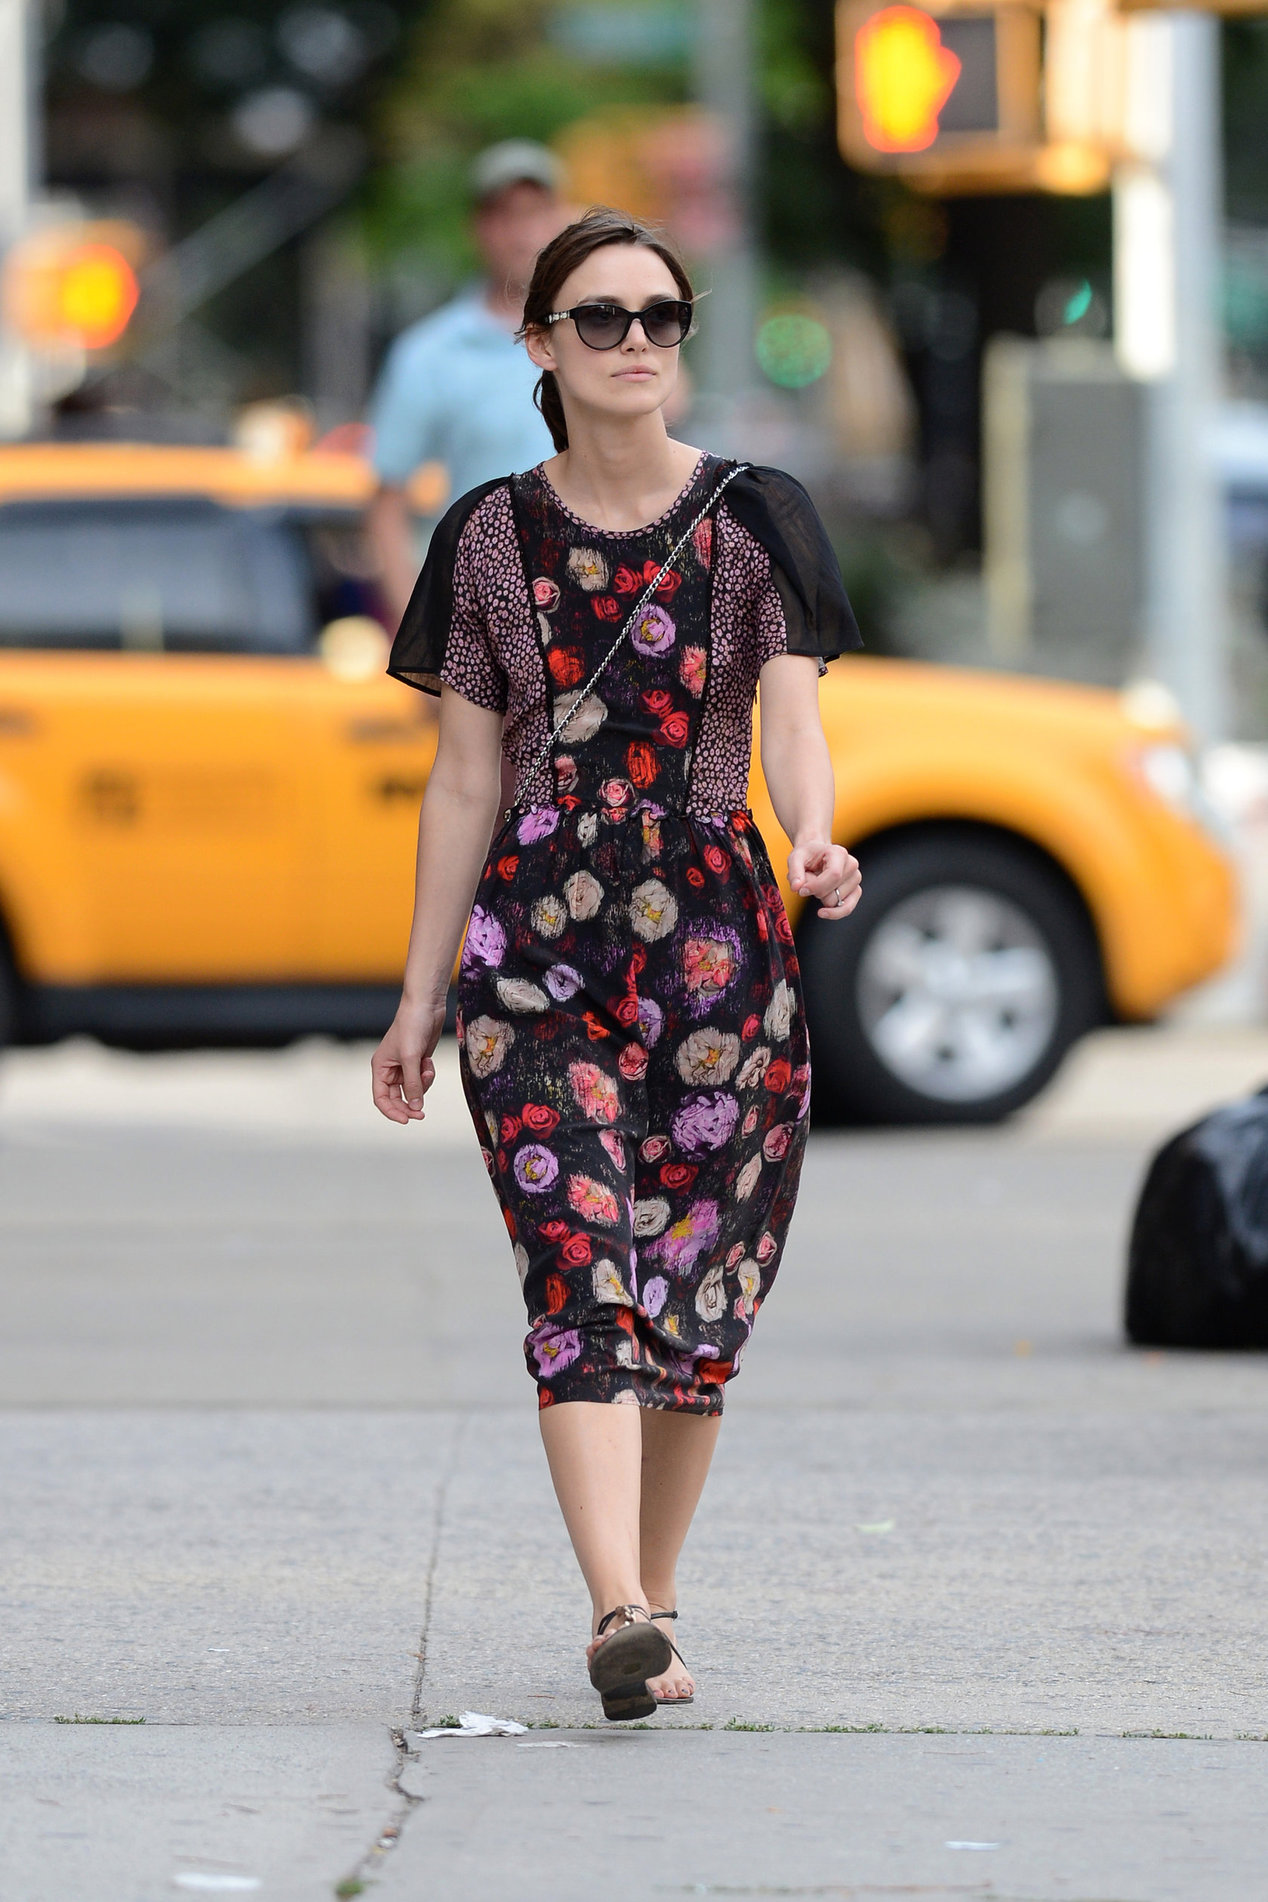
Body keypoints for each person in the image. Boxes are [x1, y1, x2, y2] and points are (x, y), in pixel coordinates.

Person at [371, 207, 863, 1720]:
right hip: (534, 948)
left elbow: (790, 715)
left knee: (698, 1300)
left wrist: (818, 837)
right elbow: (463, 780)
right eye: (601, 317)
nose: (638, 340)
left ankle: (653, 1610)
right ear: (540, 344)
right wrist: (417, 990)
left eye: (661, 314)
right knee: (580, 1268)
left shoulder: (758, 514)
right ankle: (617, 1604)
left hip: (722, 945)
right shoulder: (487, 537)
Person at [365, 140, 567, 624]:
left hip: (597, 611)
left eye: (537, 213)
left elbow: (671, 409)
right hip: (482, 619)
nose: (522, 234)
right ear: (478, 228)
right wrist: (414, 638)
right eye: (506, 216)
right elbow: (386, 503)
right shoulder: (431, 353)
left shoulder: (596, 332)